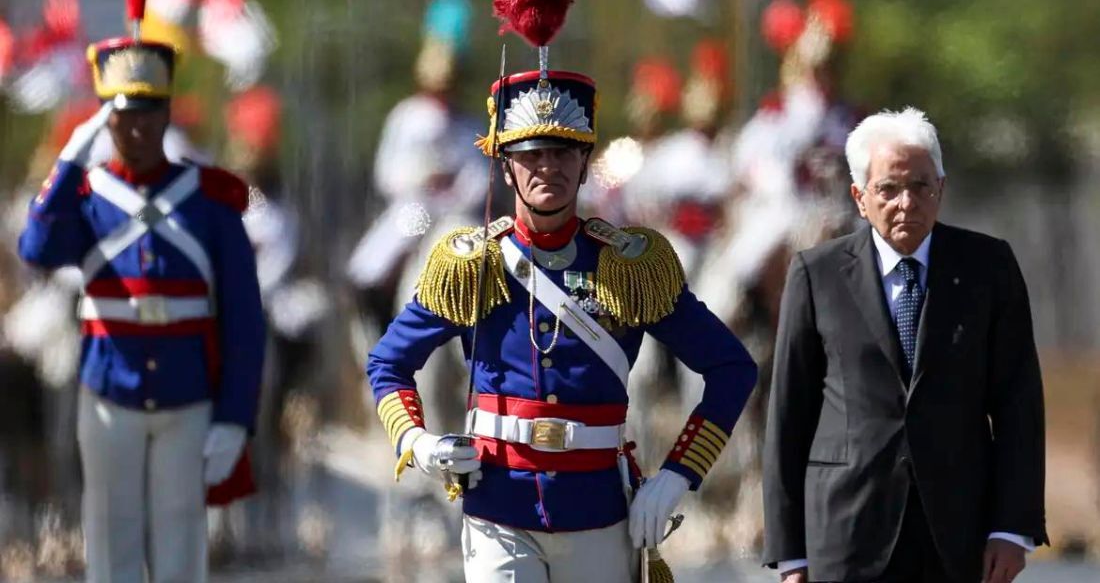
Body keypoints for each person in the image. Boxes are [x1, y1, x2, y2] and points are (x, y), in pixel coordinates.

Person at [366, 53, 758, 583]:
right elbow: (387, 364)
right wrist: (418, 443)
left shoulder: (630, 267)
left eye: (563, 152)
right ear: (506, 164)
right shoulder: (471, 266)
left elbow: (733, 369)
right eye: (531, 154)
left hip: (597, 511)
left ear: (584, 161)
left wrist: (677, 476)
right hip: (498, 509)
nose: (547, 166)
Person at [16, 0, 265, 581]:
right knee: (111, 535)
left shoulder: (210, 201)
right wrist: (70, 162)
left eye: (149, 111)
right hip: (110, 392)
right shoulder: (87, 196)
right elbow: (37, 248)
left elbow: (243, 318)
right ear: (108, 115)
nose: (137, 127)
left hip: (186, 396)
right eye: (123, 114)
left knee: (181, 541)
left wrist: (234, 416)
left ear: (166, 113)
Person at [761, 107, 1046, 583]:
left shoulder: (987, 268)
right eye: (888, 190)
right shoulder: (817, 275)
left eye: (920, 186)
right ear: (860, 198)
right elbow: (789, 416)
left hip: (959, 536)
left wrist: (1013, 529)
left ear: (941, 189)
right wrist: (791, 555)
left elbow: (1020, 408)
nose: (906, 203)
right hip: (846, 534)